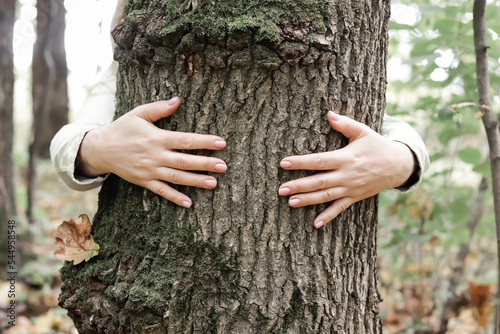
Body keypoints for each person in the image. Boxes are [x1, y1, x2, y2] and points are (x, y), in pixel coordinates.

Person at [50, 0, 429, 229]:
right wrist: (98, 149)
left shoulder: (338, 71)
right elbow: (70, 141)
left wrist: (400, 161)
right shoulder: (123, 74)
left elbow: (391, 128)